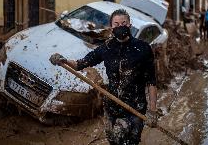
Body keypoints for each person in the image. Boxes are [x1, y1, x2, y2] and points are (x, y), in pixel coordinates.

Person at [50, 9, 158, 145]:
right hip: (112, 106)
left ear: (130, 25)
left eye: (124, 23)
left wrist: (153, 111)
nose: (120, 26)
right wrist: (63, 61)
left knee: (128, 141)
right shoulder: (106, 48)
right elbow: (80, 64)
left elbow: (151, 82)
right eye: (116, 24)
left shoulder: (143, 49)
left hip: (135, 109)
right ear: (111, 27)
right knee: (112, 140)